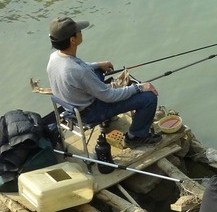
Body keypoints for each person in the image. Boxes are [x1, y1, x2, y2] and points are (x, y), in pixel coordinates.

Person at [46, 16, 160, 147]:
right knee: (149, 98)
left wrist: (98, 65)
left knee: (98, 71)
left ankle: (107, 122)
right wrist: (139, 87)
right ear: (73, 40)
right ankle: (135, 136)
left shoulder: (54, 57)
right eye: (79, 31)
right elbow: (109, 96)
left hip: (70, 108)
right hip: (91, 113)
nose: (81, 32)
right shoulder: (79, 72)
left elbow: (79, 67)